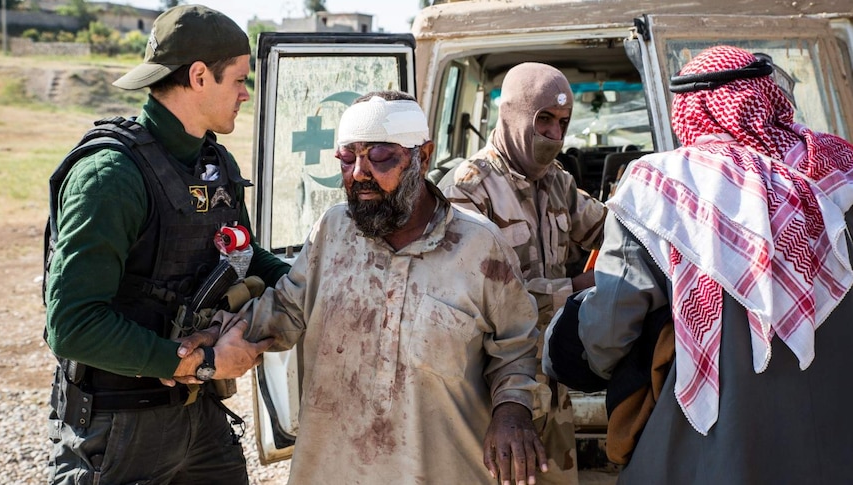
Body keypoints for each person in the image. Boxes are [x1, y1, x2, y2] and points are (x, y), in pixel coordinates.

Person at [195, 90, 548, 484]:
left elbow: (516, 347)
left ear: (423, 156)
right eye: (348, 158)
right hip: (334, 468)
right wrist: (215, 338)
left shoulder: (481, 247)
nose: (359, 173)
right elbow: (286, 310)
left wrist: (512, 410)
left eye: (379, 157)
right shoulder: (332, 230)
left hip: (441, 470)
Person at [575, 45, 853, 484]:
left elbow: (608, 331)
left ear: (689, 108)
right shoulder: (839, 169)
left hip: (708, 451)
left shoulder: (660, 188)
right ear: (768, 95)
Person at [44, 5, 289, 484]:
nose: (245, 93)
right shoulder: (110, 177)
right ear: (199, 76)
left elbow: (242, 253)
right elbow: (71, 324)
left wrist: (311, 286)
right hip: (119, 428)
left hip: (200, 419)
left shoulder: (211, 162)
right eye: (239, 80)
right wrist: (202, 364)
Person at [437, 61, 607, 481]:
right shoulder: (468, 189)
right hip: (494, 392)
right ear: (513, 115)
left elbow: (608, 228)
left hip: (551, 379)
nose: (555, 135)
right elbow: (475, 300)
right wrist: (576, 288)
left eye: (564, 123)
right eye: (543, 120)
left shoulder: (557, 182)